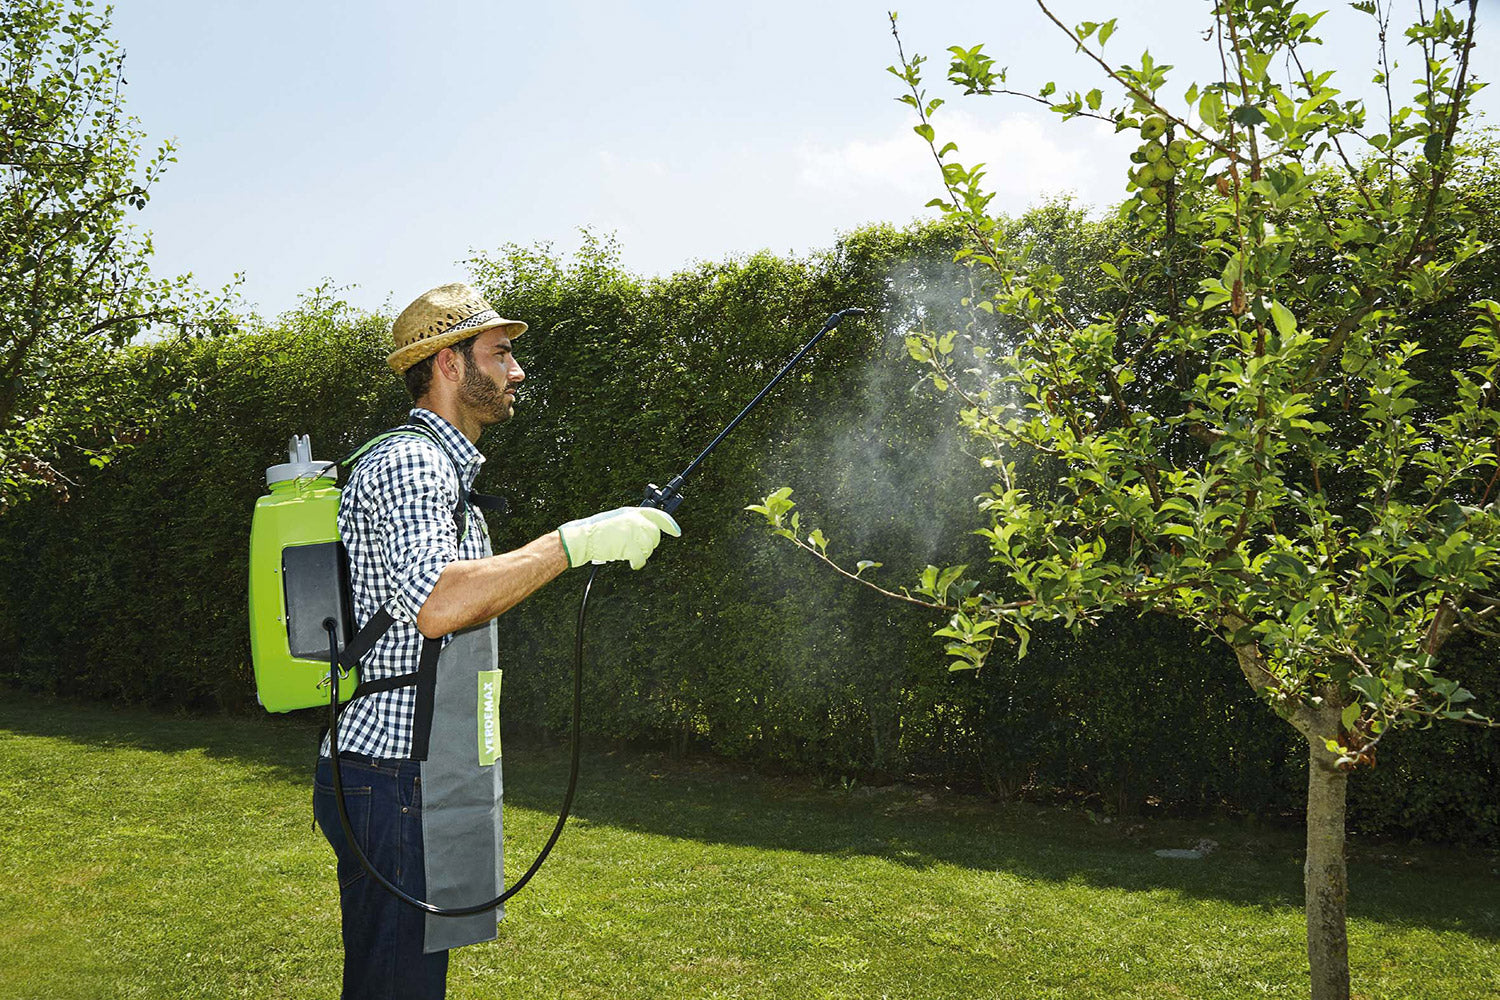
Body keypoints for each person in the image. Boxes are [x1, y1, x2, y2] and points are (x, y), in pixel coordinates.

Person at [311, 282, 680, 1000]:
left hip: (404, 771)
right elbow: (440, 604)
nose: (517, 372)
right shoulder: (414, 463)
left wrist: (583, 543)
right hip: (392, 776)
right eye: (500, 354)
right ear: (448, 364)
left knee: (400, 978)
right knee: (396, 986)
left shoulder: (445, 469)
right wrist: (574, 542)